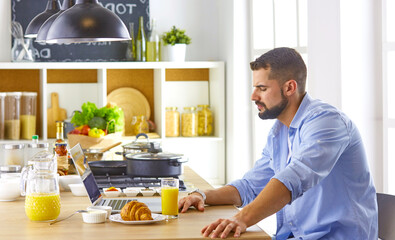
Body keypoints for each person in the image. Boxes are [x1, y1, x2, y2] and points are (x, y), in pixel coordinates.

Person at [178, 47, 378, 239]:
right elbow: (250, 186)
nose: (253, 96)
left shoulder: (327, 122)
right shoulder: (279, 132)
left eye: (262, 88)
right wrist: (203, 195)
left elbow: (293, 179)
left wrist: (241, 218)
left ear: (289, 87)